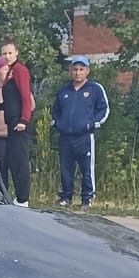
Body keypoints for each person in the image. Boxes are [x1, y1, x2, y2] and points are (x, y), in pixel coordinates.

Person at [50, 55, 109, 207]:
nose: (78, 73)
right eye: (75, 69)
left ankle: (87, 198)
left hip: (84, 137)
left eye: (81, 69)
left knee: (86, 168)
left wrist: (93, 124)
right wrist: (57, 123)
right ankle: (66, 197)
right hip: (65, 137)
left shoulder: (95, 89)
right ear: (70, 70)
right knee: (66, 168)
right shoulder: (64, 91)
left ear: (87, 71)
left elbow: (104, 109)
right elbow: (55, 110)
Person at [0, 38, 34, 205]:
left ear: (17, 53)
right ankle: (19, 196)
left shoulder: (20, 70)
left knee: (20, 160)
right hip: (11, 121)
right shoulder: (9, 73)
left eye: (10, 53)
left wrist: (24, 120)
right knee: (14, 159)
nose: (7, 56)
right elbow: (12, 100)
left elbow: (25, 97)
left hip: (19, 122)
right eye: (4, 53)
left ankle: (23, 198)